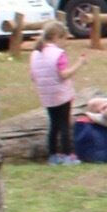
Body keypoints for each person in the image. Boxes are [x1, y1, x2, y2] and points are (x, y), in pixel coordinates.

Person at [29, 21, 76, 164]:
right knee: (64, 125)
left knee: (53, 125)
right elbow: (63, 74)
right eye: (64, 39)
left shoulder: (35, 54)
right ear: (57, 37)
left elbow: (33, 76)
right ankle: (68, 155)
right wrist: (79, 64)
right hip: (61, 94)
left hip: (46, 95)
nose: (65, 43)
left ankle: (53, 155)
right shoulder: (58, 54)